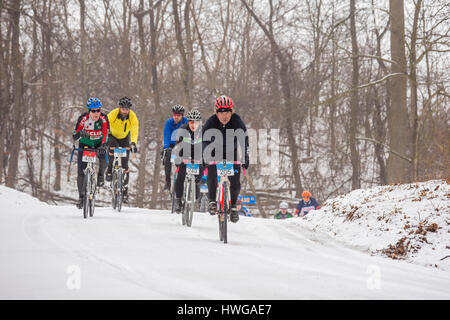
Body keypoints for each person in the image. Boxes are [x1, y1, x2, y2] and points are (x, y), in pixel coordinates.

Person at [202, 95, 250, 223]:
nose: (225, 116)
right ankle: (212, 200)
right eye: (221, 113)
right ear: (216, 113)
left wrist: (245, 155)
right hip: (214, 151)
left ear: (231, 112)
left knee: (235, 179)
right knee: (211, 173)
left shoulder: (236, 120)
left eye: (227, 112)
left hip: (231, 152)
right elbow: (204, 140)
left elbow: (244, 139)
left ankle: (233, 206)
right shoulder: (211, 121)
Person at [72, 98, 110, 209]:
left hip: (99, 143)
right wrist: (80, 133)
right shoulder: (83, 118)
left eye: (98, 110)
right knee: (81, 171)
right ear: (89, 111)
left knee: (104, 156)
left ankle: (100, 175)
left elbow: (106, 133)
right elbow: (74, 135)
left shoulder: (103, 118)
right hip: (85, 145)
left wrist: (103, 145)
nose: (96, 113)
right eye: (93, 111)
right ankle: (81, 197)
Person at [105, 97, 139, 203]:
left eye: (127, 109)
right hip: (112, 136)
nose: (125, 111)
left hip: (124, 137)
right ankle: (109, 170)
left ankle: (124, 192)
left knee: (125, 165)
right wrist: (105, 139)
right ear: (119, 108)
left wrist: (133, 143)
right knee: (112, 148)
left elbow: (134, 129)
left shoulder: (132, 116)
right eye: (123, 109)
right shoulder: (113, 114)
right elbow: (105, 126)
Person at [173, 108, 204, 213]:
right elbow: (177, 146)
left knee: (199, 174)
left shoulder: (203, 131)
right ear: (188, 122)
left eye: (195, 122)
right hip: (184, 154)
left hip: (198, 155)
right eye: (191, 122)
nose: (193, 125)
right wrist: (178, 157)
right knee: (181, 176)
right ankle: (178, 200)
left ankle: (195, 186)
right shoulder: (183, 129)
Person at [162, 104, 188, 191]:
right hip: (171, 145)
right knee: (167, 157)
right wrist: (166, 147)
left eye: (178, 115)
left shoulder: (186, 122)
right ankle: (168, 182)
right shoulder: (169, 122)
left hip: (183, 144)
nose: (176, 117)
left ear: (182, 115)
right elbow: (166, 136)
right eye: (174, 115)